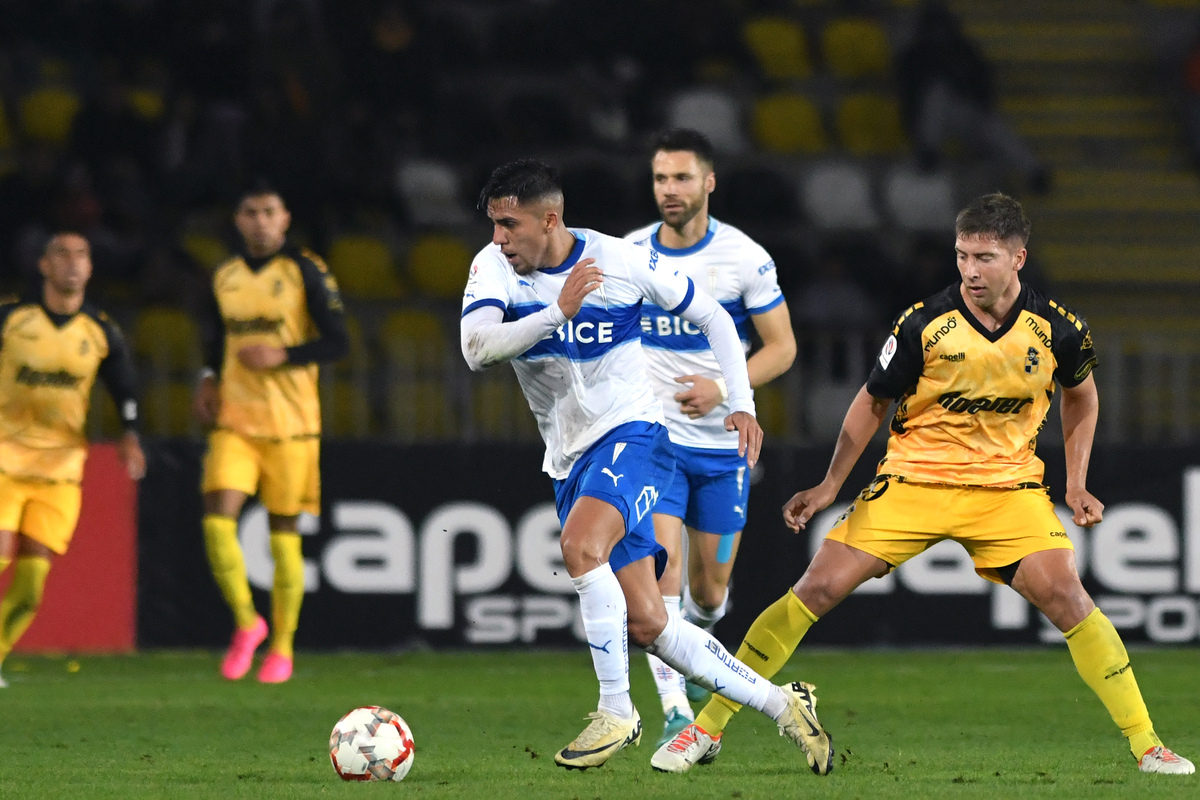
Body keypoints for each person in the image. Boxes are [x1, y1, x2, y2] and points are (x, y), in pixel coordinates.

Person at [653, 193, 1195, 776]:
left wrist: (1078, 482)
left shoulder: (1058, 329)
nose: (969, 270)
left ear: (1018, 258)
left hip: (1007, 491)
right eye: (961, 255)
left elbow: (1082, 397)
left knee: (1070, 599)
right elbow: (871, 403)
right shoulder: (923, 323)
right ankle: (704, 731)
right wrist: (830, 483)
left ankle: (1148, 746)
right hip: (913, 484)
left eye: (984, 257)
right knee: (816, 588)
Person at [460, 159, 832, 775]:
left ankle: (617, 710)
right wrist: (557, 313)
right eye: (494, 225)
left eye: (509, 225)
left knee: (581, 547)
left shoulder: (619, 261)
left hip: (636, 435)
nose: (499, 238)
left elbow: (713, 316)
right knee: (651, 621)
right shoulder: (492, 267)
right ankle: (782, 703)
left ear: (549, 219)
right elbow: (477, 350)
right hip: (568, 458)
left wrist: (740, 401)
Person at [625, 129, 796, 747]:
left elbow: (783, 347)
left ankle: (699, 653)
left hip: (722, 449)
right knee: (659, 583)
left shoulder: (744, 259)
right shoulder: (630, 256)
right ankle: (674, 708)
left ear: (708, 183)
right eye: (660, 179)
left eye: (681, 178)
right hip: (654, 444)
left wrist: (723, 388)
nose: (669, 190)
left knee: (709, 591)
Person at [194, 184, 348, 684]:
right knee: (218, 518)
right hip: (236, 422)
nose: (259, 221)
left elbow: (338, 342)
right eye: (249, 212)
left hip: (291, 427)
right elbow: (214, 335)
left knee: (284, 538)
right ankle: (247, 623)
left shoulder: (305, 270)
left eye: (268, 212)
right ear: (237, 220)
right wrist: (208, 378)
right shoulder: (225, 275)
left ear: (284, 220)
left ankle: (282, 648)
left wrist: (282, 355)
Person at [0, 232, 145, 687]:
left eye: (81, 254)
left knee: (30, 587)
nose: (72, 263)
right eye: (62, 254)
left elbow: (123, 385)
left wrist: (130, 433)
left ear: (90, 267)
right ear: (44, 265)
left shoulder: (99, 331)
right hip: (4, 459)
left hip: (59, 471)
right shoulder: (12, 319)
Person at [897, 1, 1050, 194]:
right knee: (937, 94)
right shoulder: (914, 56)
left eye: (942, 26)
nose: (938, 32)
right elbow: (908, 98)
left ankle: (1033, 172)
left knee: (994, 125)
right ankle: (929, 153)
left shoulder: (965, 50)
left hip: (967, 116)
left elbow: (984, 87)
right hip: (930, 122)